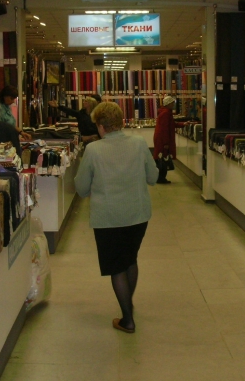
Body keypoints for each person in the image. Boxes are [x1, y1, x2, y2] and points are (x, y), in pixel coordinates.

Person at [75, 102, 159, 334]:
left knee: (116, 266)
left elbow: (81, 188)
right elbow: (153, 177)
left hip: (108, 217)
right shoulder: (140, 144)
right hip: (138, 214)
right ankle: (128, 304)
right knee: (130, 259)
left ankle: (127, 319)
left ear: (101, 126)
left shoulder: (93, 150)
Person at [153, 95, 177, 184]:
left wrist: (184, 124)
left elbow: (170, 125)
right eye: (172, 102)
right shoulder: (166, 113)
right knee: (163, 158)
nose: (174, 104)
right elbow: (165, 129)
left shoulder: (165, 112)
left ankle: (161, 177)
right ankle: (161, 178)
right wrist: (166, 143)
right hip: (163, 140)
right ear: (169, 103)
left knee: (161, 157)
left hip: (160, 138)